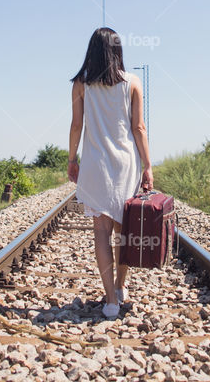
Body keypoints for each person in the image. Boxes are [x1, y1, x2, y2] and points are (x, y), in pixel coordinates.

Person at [68, 27, 154, 319]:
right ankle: (120, 286)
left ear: (91, 51)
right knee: (125, 231)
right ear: (118, 51)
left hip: (95, 166)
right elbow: (138, 128)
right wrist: (148, 165)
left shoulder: (81, 84)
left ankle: (110, 301)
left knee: (101, 233)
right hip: (126, 165)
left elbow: (76, 126)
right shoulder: (132, 82)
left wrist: (72, 158)